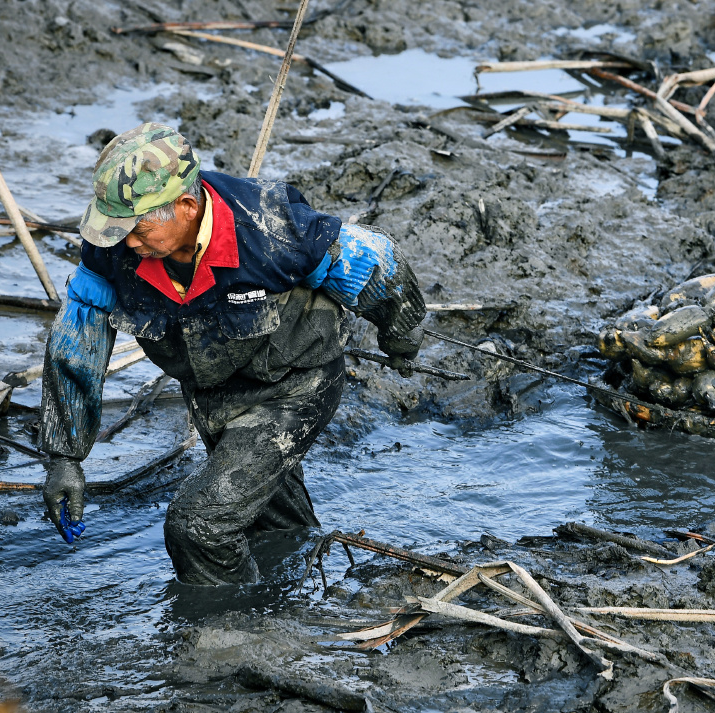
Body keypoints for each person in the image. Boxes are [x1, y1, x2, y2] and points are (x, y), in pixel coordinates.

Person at [38, 123, 426, 585]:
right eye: (114, 230)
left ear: (186, 206)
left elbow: (373, 259)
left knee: (198, 526)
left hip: (293, 387)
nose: (126, 243)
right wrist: (65, 457)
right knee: (268, 521)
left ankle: (235, 633)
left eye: (136, 228)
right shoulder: (112, 251)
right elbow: (79, 335)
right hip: (213, 392)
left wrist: (400, 332)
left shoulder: (270, 225)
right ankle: (293, 587)